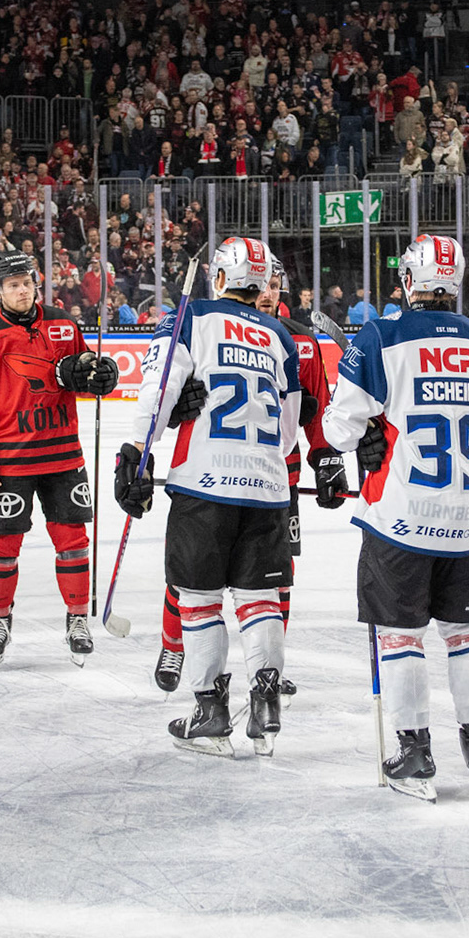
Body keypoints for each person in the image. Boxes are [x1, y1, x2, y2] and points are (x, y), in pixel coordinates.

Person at [323, 235, 469, 799]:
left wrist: (369, 434)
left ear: (409, 280)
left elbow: (339, 429)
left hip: (401, 520)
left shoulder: (382, 335)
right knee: (467, 634)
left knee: (402, 639)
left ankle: (414, 753)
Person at [115, 237, 302, 757]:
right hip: (267, 488)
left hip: (204, 485)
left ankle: (210, 712)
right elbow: (288, 434)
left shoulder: (191, 317)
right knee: (260, 600)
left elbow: (158, 390)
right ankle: (265, 704)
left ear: (219, 277)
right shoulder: (280, 336)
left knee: (199, 600)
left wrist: (137, 451)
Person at [154, 257, 342, 696]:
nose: (269, 292)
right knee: (192, 573)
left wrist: (327, 457)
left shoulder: (297, 339)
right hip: (216, 472)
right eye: (264, 283)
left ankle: (268, 670)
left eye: (276, 285)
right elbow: (173, 387)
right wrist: (180, 405)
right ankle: (174, 646)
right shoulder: (213, 327)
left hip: (277, 480)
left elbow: (318, 407)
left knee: (276, 578)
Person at [0, 249, 117, 666]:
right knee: (2, 544)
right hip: (9, 462)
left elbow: (83, 371)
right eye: (13, 285)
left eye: (27, 283)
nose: (22, 291)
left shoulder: (64, 324)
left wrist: (101, 376)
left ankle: (77, 618)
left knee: (73, 543)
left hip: (63, 456)